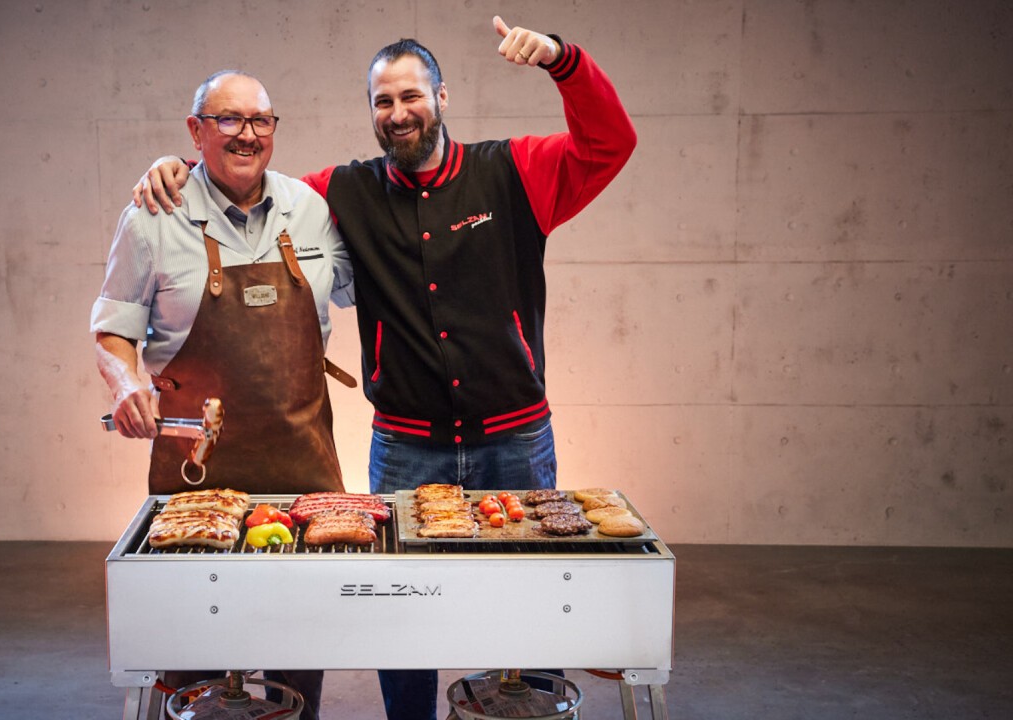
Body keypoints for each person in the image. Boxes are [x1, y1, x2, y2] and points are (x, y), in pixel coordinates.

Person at [133, 17, 637, 720]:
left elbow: (611, 143)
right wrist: (180, 168)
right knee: (400, 618)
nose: (398, 113)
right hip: (405, 446)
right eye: (382, 101)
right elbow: (245, 177)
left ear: (441, 97)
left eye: (411, 96)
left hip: (515, 440)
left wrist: (563, 60)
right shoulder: (340, 193)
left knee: (530, 613)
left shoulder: (513, 170)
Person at [92, 70, 354, 720]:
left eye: (260, 120)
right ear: (196, 132)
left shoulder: (312, 210)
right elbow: (111, 329)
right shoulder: (153, 216)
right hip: (194, 482)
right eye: (228, 120)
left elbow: (379, 281)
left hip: (305, 476)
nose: (247, 134)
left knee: (299, 652)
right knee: (193, 652)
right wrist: (126, 386)